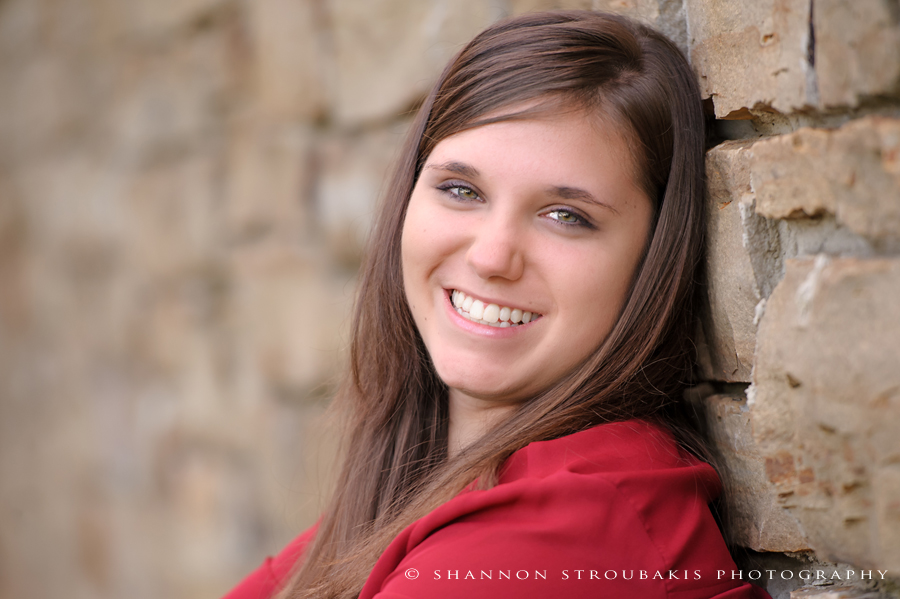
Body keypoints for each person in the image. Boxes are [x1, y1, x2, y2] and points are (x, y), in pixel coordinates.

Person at [225, 10, 772, 599]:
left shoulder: (570, 527)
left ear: (653, 260)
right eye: (461, 190)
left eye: (567, 216)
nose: (492, 257)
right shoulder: (412, 499)